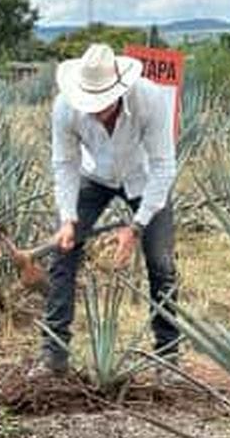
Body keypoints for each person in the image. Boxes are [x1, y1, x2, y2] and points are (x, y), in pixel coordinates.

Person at [36, 42, 179, 373]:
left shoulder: (149, 99)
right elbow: (65, 164)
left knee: (161, 262)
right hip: (95, 176)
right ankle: (53, 355)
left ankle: (167, 356)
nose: (96, 111)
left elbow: (163, 166)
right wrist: (68, 218)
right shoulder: (65, 107)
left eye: (102, 103)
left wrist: (137, 226)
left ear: (119, 90)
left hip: (144, 178)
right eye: (90, 103)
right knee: (63, 251)